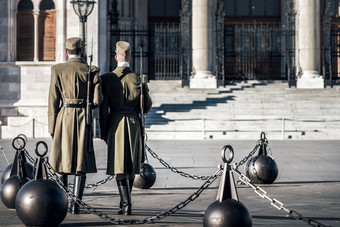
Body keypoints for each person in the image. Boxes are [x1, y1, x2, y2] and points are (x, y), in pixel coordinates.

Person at [48, 37, 103, 214]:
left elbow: (53, 100)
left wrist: (52, 127)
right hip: (82, 117)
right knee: (81, 163)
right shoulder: (91, 70)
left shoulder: (57, 69)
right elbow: (97, 100)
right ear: (81, 51)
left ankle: (63, 202)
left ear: (66, 52)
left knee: (63, 161)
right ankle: (76, 204)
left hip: (63, 118)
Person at [99, 41, 152, 215]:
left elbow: (103, 108)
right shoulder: (138, 78)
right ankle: (126, 203)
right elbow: (147, 107)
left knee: (120, 166)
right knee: (130, 167)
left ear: (116, 58)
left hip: (115, 123)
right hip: (133, 123)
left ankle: (125, 204)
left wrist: (104, 131)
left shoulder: (107, 79)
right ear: (130, 57)